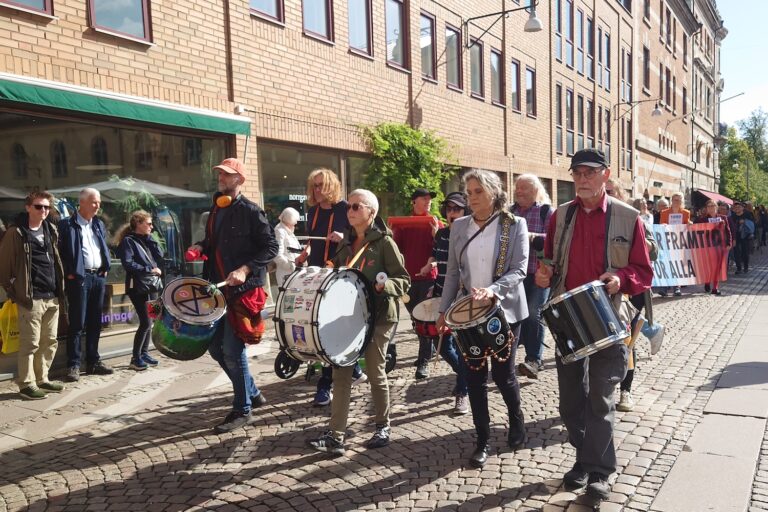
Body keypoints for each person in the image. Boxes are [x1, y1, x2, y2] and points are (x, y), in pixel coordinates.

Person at [536, 148, 653, 500]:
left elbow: (644, 271)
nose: (583, 179)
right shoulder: (560, 217)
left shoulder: (627, 217)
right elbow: (548, 262)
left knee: (600, 400)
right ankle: (584, 459)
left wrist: (622, 279)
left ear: (606, 174)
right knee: (571, 403)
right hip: (569, 321)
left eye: (590, 173)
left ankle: (599, 471)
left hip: (608, 318)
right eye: (577, 173)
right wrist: (542, 274)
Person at [436, 169, 530, 469]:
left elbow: (519, 269)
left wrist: (492, 290)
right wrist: (443, 310)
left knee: (503, 375)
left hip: (504, 310)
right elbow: (452, 272)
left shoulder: (513, 225)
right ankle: (483, 439)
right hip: (468, 314)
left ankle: (516, 421)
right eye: (469, 192)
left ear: (493, 192)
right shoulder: (459, 226)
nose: (471, 198)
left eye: (478, 191)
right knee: (474, 377)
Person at [308, 189, 410, 455]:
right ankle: (336, 436)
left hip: (379, 317)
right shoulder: (346, 243)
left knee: (376, 373)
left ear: (371, 212)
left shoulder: (385, 243)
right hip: (350, 318)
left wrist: (385, 285)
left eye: (356, 206)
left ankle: (382, 426)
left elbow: (403, 279)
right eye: (349, 207)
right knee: (341, 375)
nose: (350, 211)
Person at [187, 157, 278, 433]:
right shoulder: (217, 209)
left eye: (226, 175)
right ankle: (252, 393)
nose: (221, 178)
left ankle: (243, 409)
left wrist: (245, 268)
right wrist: (200, 247)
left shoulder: (252, 211)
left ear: (239, 179)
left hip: (243, 291)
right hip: (218, 289)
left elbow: (270, 247)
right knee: (215, 348)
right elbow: (214, 242)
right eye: (219, 174)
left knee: (231, 349)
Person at [298, 169, 365, 406]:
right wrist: (305, 253)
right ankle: (354, 368)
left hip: (339, 274)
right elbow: (312, 240)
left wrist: (343, 235)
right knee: (322, 327)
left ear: (331, 186)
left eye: (320, 185)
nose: (317, 190)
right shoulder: (313, 212)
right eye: (314, 186)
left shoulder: (346, 208)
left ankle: (325, 385)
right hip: (318, 273)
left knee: (325, 328)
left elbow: (359, 236)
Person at [0, 192, 66, 400]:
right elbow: (4, 266)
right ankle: (26, 383)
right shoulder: (16, 232)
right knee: (30, 343)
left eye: (46, 207)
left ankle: (42, 379)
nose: (43, 211)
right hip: (31, 298)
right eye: (39, 207)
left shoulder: (50, 229)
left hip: (52, 295)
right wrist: (15, 292)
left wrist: (58, 291)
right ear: (28, 207)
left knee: (50, 340)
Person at [418, 192, 470, 415]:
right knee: (445, 345)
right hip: (442, 293)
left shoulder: (470, 233)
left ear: (465, 211)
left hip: (464, 296)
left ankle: (462, 392)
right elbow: (433, 255)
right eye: (449, 209)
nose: (452, 213)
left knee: (461, 346)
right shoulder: (441, 233)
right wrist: (428, 264)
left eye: (457, 209)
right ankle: (468, 376)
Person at [59, 188, 114, 382]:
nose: (97, 205)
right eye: (93, 202)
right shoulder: (67, 225)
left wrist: (105, 267)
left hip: (98, 277)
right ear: (81, 203)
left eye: (98, 202)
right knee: (77, 323)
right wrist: (70, 273)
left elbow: (102, 248)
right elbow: (60, 253)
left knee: (95, 322)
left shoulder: (97, 224)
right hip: (79, 279)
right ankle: (73, 364)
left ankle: (93, 361)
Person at [394, 188, 442, 380]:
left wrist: (436, 234)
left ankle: (423, 363)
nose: (428, 201)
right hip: (408, 280)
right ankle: (428, 349)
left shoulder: (435, 223)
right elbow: (396, 250)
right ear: (414, 202)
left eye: (429, 198)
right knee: (416, 320)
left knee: (424, 320)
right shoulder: (404, 225)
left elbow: (441, 250)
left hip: (429, 278)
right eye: (424, 198)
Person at [511, 174, 553, 379]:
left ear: (535, 191)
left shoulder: (546, 212)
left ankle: (534, 360)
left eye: (524, 188)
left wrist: (532, 237)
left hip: (539, 273)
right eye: (517, 188)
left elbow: (554, 241)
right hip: (515, 275)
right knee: (513, 315)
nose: (519, 192)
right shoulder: (509, 213)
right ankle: (507, 357)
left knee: (534, 313)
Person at [115, 210, 164, 371]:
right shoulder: (128, 241)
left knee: (152, 319)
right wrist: (149, 268)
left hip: (153, 286)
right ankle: (135, 358)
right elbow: (128, 264)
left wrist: (151, 239)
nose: (152, 226)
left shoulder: (147, 240)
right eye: (148, 223)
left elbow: (160, 256)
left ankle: (144, 353)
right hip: (138, 287)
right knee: (145, 321)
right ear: (138, 223)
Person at [693, 200, 732, 296]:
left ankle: (715, 287)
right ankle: (707, 281)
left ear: (716, 207)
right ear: (706, 208)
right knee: (708, 266)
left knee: (717, 267)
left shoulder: (723, 218)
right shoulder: (702, 219)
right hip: (707, 246)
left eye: (713, 205)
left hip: (720, 246)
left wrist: (729, 243)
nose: (711, 208)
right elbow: (695, 228)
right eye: (709, 206)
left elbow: (728, 231)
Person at [658, 192, 691, 296]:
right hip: (667, 241)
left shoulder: (686, 213)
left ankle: (677, 287)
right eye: (674, 200)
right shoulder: (664, 212)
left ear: (681, 201)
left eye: (678, 200)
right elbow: (660, 225)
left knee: (678, 264)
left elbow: (687, 225)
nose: (676, 202)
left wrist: (690, 224)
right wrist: (663, 225)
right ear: (671, 201)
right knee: (667, 263)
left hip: (679, 242)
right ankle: (664, 287)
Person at [273, 207, 302, 285]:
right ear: (289, 219)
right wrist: (290, 266)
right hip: (286, 273)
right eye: (295, 220)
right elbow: (277, 255)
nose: (296, 223)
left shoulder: (289, 231)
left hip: (295, 272)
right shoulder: (280, 231)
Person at [731, 202, 754, 274]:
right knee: (736, 252)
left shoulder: (747, 214)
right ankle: (739, 268)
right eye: (736, 207)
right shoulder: (733, 216)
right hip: (736, 236)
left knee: (745, 252)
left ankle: (746, 267)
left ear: (742, 208)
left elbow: (752, 225)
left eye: (739, 207)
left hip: (745, 236)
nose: (737, 208)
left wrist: (745, 222)